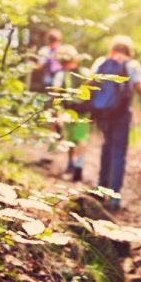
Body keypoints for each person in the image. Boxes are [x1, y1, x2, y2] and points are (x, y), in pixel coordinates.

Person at [89, 35, 141, 211]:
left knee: (106, 147)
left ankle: (100, 189)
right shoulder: (132, 65)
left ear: (112, 48)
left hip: (104, 113)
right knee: (118, 152)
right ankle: (115, 197)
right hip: (122, 113)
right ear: (129, 51)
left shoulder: (101, 61)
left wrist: (93, 108)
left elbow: (89, 84)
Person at [52, 45, 90, 182]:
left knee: (71, 139)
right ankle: (77, 166)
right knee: (80, 139)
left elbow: (55, 95)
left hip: (69, 110)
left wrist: (56, 113)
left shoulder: (61, 74)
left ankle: (72, 166)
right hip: (83, 111)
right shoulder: (85, 72)